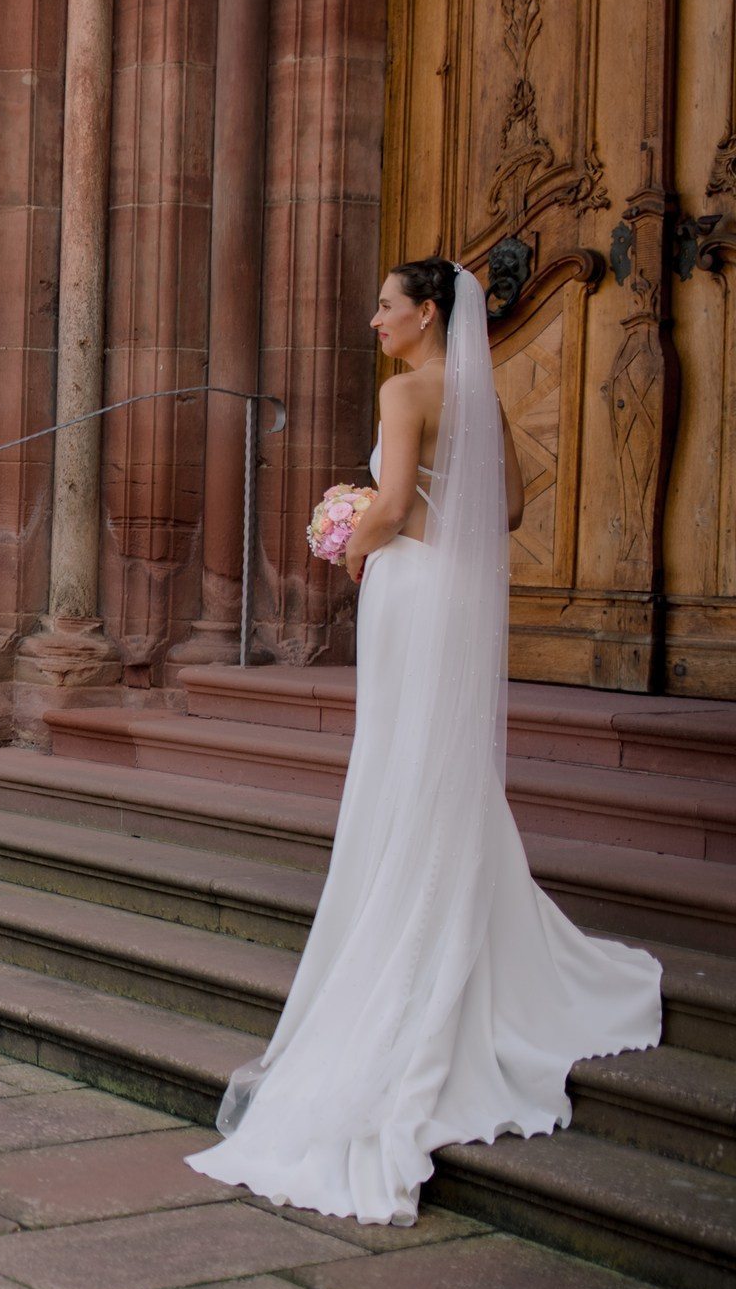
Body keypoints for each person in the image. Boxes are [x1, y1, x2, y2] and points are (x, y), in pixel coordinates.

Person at [185, 258, 663, 1224]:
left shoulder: (406, 394)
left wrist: (350, 540)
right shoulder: (482, 396)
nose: (375, 321)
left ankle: (405, 925)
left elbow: (397, 502)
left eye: (387, 306)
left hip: (408, 587)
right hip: (456, 592)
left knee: (404, 759)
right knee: (440, 764)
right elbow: (512, 508)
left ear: (428, 312)